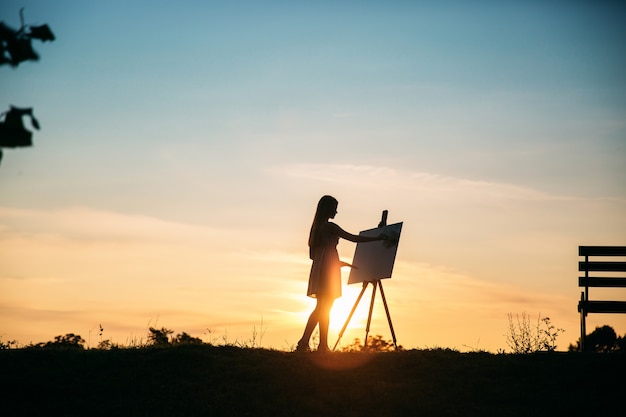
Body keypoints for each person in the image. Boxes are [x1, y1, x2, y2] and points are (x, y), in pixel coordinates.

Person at [296, 195, 387, 353]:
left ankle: (319, 344)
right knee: (324, 307)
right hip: (327, 270)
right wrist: (376, 238)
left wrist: (336, 262)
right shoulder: (330, 227)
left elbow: (313, 256)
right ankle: (308, 342)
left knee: (322, 307)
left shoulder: (316, 229)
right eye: (334, 208)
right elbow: (352, 238)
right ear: (328, 209)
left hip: (321, 268)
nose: (336, 211)